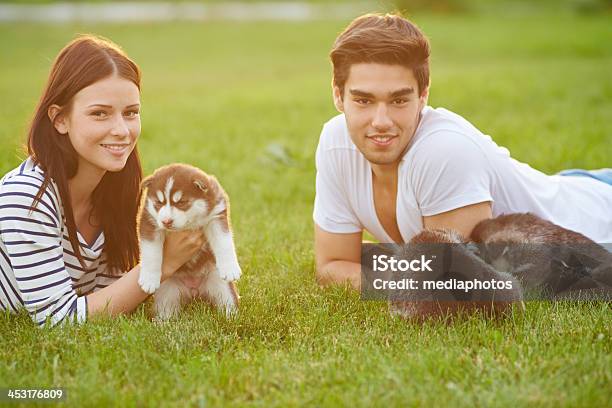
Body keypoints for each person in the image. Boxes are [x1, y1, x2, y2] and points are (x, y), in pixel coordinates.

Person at [313, 13, 612, 290]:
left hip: (597, 223)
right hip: (565, 186)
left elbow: (454, 286)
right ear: (338, 96)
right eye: (364, 101)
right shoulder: (336, 143)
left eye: (399, 101)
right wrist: (409, 275)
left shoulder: (443, 151)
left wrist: (398, 274)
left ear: (423, 95)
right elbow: (331, 265)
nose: (381, 122)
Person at [0, 35, 203, 326]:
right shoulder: (26, 196)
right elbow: (58, 321)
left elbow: (108, 296)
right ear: (60, 119)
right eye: (99, 114)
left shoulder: (115, 187)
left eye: (131, 112)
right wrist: (161, 264)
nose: (121, 130)